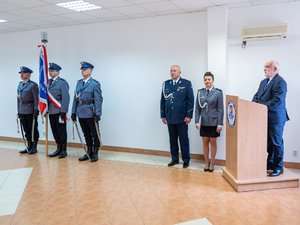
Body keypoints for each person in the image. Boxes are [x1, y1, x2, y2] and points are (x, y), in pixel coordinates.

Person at [252, 60, 289, 177]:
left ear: (275, 69)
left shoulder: (281, 82)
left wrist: (261, 106)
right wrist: (253, 105)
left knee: (276, 142)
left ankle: (278, 167)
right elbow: (257, 96)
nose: (265, 69)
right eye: (264, 67)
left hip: (276, 117)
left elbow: (277, 100)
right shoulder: (263, 82)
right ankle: (270, 163)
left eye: (267, 67)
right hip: (264, 117)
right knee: (268, 143)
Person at [160, 65, 194, 168]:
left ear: (179, 72)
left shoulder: (186, 83)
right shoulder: (166, 84)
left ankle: (186, 160)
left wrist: (189, 115)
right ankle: (174, 159)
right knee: (172, 140)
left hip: (182, 117)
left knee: (183, 140)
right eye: (171, 71)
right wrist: (163, 115)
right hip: (170, 117)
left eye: (174, 71)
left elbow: (190, 100)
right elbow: (162, 100)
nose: (172, 72)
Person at [71, 62, 103, 162]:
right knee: (86, 134)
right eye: (82, 69)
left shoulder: (94, 84)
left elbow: (98, 100)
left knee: (95, 133)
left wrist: (98, 113)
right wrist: (73, 112)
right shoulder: (79, 83)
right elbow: (75, 99)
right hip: (81, 112)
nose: (83, 70)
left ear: (90, 70)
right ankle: (89, 151)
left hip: (90, 112)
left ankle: (95, 152)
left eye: (85, 69)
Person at [195, 72, 224, 172]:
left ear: (213, 80)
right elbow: (197, 109)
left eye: (209, 79)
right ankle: (206, 163)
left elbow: (220, 109)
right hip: (203, 122)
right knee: (205, 142)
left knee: (213, 142)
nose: (207, 81)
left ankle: (212, 163)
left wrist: (220, 123)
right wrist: (196, 121)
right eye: (205, 79)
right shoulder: (200, 92)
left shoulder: (218, 93)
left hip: (214, 122)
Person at [47, 63, 70, 159]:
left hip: (59, 111)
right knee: (54, 131)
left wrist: (63, 111)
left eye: (52, 70)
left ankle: (64, 150)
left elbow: (66, 98)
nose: (50, 72)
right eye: (49, 70)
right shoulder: (47, 83)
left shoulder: (62, 82)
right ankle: (58, 148)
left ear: (57, 72)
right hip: (51, 111)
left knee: (61, 131)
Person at [17, 66, 39, 154]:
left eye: (23, 73)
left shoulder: (33, 85)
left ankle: (34, 146)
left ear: (29, 74)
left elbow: (36, 99)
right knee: (26, 129)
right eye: (21, 73)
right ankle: (28, 146)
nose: (21, 75)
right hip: (22, 110)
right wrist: (18, 111)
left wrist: (36, 110)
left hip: (30, 110)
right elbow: (18, 99)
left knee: (33, 129)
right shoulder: (20, 84)